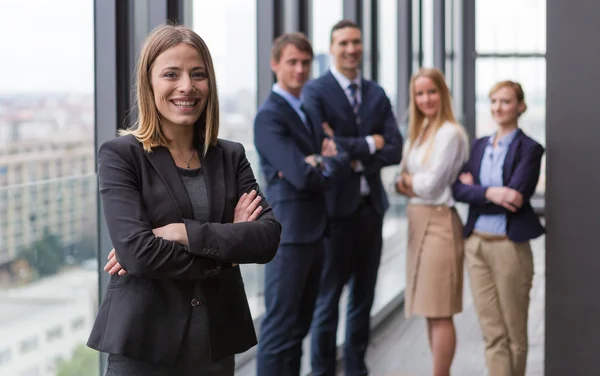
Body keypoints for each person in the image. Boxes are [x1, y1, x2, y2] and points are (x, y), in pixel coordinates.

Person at [87, 23, 281, 376]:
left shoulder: (230, 156)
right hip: (143, 350)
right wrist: (228, 250)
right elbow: (137, 253)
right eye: (170, 74)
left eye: (198, 74)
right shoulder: (121, 155)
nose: (186, 87)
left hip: (215, 350)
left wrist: (180, 232)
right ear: (149, 83)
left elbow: (267, 239)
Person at [302, 19, 403, 376]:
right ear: (332, 47)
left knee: (363, 297)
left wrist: (344, 146)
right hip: (334, 213)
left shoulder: (376, 93)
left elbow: (394, 150)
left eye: (356, 42)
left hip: (371, 210)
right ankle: (322, 371)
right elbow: (319, 145)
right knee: (328, 300)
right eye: (343, 42)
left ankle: (357, 368)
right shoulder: (315, 92)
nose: (351, 49)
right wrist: (368, 143)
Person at [253, 32, 351, 376]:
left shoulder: (306, 110)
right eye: (292, 62)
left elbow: (334, 157)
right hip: (289, 236)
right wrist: (319, 163)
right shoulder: (269, 116)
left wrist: (321, 161)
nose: (299, 69)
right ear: (275, 64)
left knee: (299, 329)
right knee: (280, 330)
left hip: (314, 232)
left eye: (305, 63)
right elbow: (301, 175)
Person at [452, 80, 545, 376]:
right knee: (492, 332)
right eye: (493, 101)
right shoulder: (479, 145)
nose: (498, 108)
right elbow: (457, 189)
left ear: (520, 106)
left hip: (509, 245)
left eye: (505, 101)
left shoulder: (529, 148)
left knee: (514, 332)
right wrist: (492, 192)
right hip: (476, 244)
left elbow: (516, 197)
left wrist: (477, 190)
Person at [395, 68, 469, 376]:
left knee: (440, 312)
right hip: (418, 223)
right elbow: (396, 179)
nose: (426, 99)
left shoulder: (450, 133)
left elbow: (430, 186)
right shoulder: (420, 130)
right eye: (420, 93)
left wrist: (408, 182)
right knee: (428, 309)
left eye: (432, 92)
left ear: (443, 93)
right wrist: (408, 181)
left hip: (439, 225)